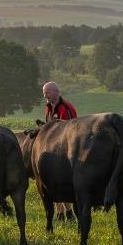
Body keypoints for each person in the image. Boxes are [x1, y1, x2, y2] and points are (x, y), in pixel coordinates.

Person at [42, 81, 77, 221]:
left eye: (48, 92)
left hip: (65, 150)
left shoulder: (66, 107)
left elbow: (72, 128)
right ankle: (61, 213)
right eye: (44, 93)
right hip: (52, 148)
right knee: (51, 181)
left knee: (62, 182)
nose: (46, 95)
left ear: (57, 92)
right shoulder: (48, 107)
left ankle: (68, 212)